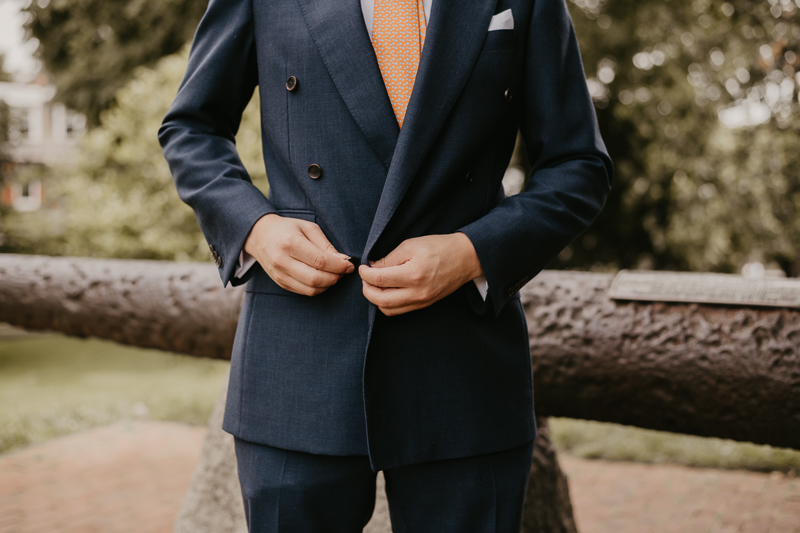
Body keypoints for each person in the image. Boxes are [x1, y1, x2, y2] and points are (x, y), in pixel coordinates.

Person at [159, 0, 612, 530]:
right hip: (300, 363)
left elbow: (579, 166)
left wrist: (471, 253)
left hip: (462, 369)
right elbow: (191, 128)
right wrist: (257, 229)